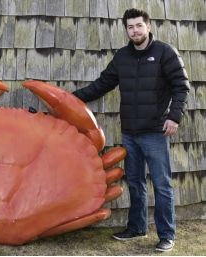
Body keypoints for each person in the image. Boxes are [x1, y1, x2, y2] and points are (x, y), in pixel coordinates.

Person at [72, 8, 190, 252]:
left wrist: (174, 117)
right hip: (130, 133)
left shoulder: (164, 52)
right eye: (130, 27)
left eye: (138, 25)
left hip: (155, 132)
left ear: (148, 26)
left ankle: (167, 235)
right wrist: (69, 99)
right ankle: (137, 227)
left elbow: (181, 86)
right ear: (126, 29)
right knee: (135, 182)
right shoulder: (122, 57)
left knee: (162, 184)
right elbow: (101, 85)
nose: (135, 30)